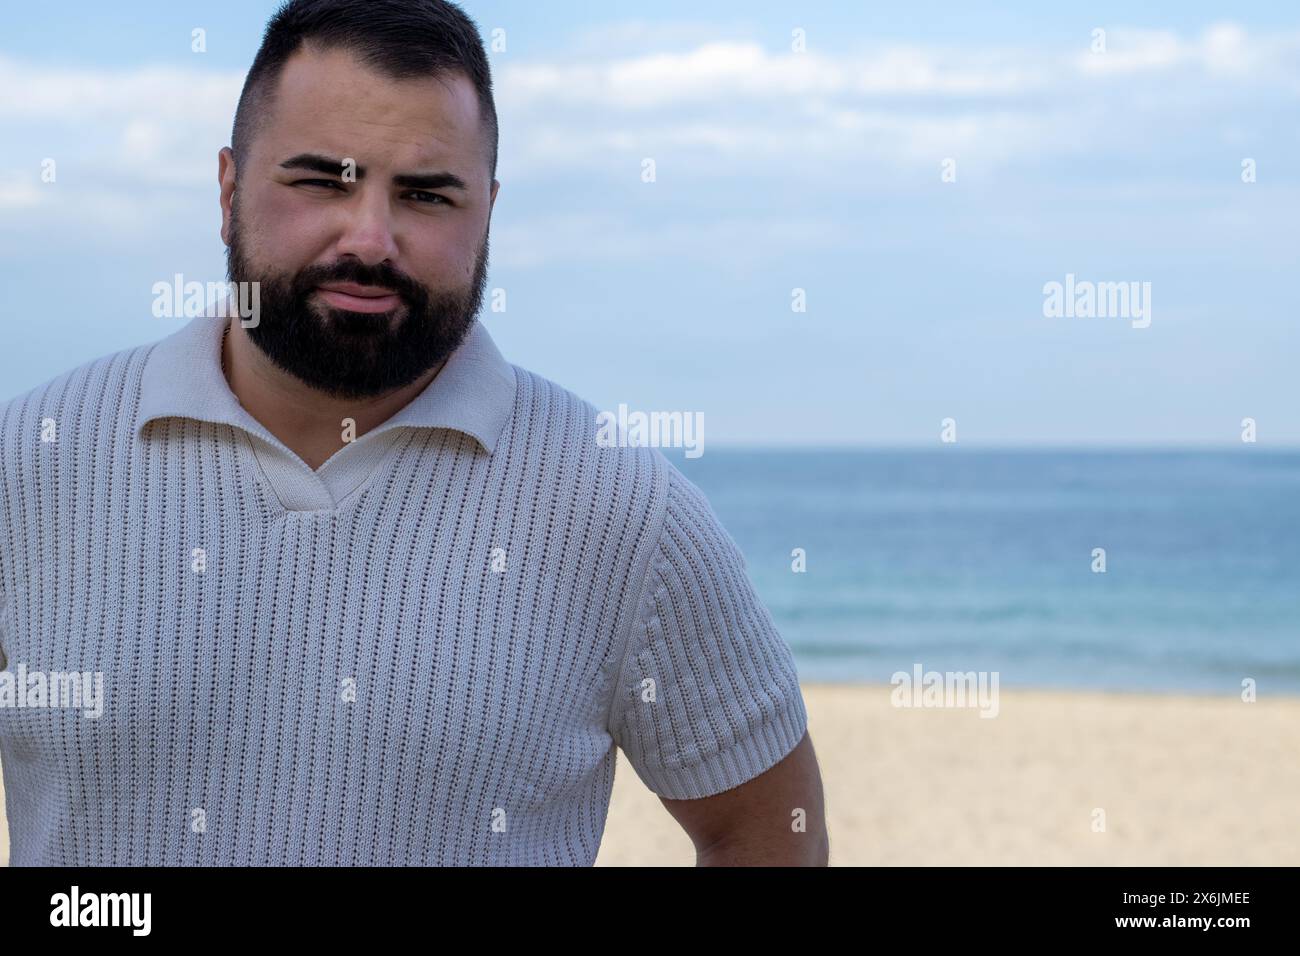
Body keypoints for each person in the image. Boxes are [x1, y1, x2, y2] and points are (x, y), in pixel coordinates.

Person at [0, 0, 827, 866]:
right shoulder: (33, 460)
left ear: (488, 214)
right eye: (322, 180)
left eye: (426, 195)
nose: (371, 238)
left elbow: (768, 829)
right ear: (229, 189)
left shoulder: (623, 509)